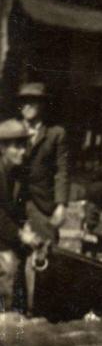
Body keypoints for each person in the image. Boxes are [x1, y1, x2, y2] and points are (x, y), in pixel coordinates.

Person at [0, 119, 42, 312]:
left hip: (6, 234)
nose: (22, 152)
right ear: (2, 148)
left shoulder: (18, 174)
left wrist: (26, 227)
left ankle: (22, 315)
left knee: (31, 261)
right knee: (8, 264)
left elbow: (21, 208)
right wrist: (19, 234)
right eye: (16, 147)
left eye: (23, 146)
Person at [17, 83, 69, 238]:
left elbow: (62, 170)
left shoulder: (56, 134)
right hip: (13, 201)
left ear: (43, 104)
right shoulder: (11, 132)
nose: (27, 106)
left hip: (41, 204)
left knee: (45, 250)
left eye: (33, 102)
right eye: (24, 102)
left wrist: (61, 204)